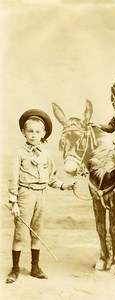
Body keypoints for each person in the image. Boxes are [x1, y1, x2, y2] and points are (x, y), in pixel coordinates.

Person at [6, 109, 74, 284]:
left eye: (38, 132)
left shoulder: (46, 154)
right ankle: (15, 269)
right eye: (30, 131)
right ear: (23, 132)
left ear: (44, 134)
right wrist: (14, 202)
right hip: (25, 194)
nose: (34, 135)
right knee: (20, 233)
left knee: (37, 232)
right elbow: (13, 178)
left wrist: (64, 186)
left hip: (41, 195)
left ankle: (35, 267)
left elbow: (51, 177)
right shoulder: (19, 154)